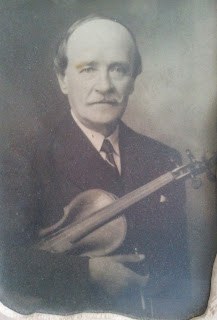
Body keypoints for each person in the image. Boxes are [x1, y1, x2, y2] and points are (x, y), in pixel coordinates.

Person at [0, 16, 191, 319]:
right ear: (63, 79)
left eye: (118, 69)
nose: (104, 86)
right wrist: (88, 271)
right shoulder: (23, 158)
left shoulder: (163, 158)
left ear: (133, 79)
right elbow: (6, 262)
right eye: (88, 69)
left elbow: (178, 274)